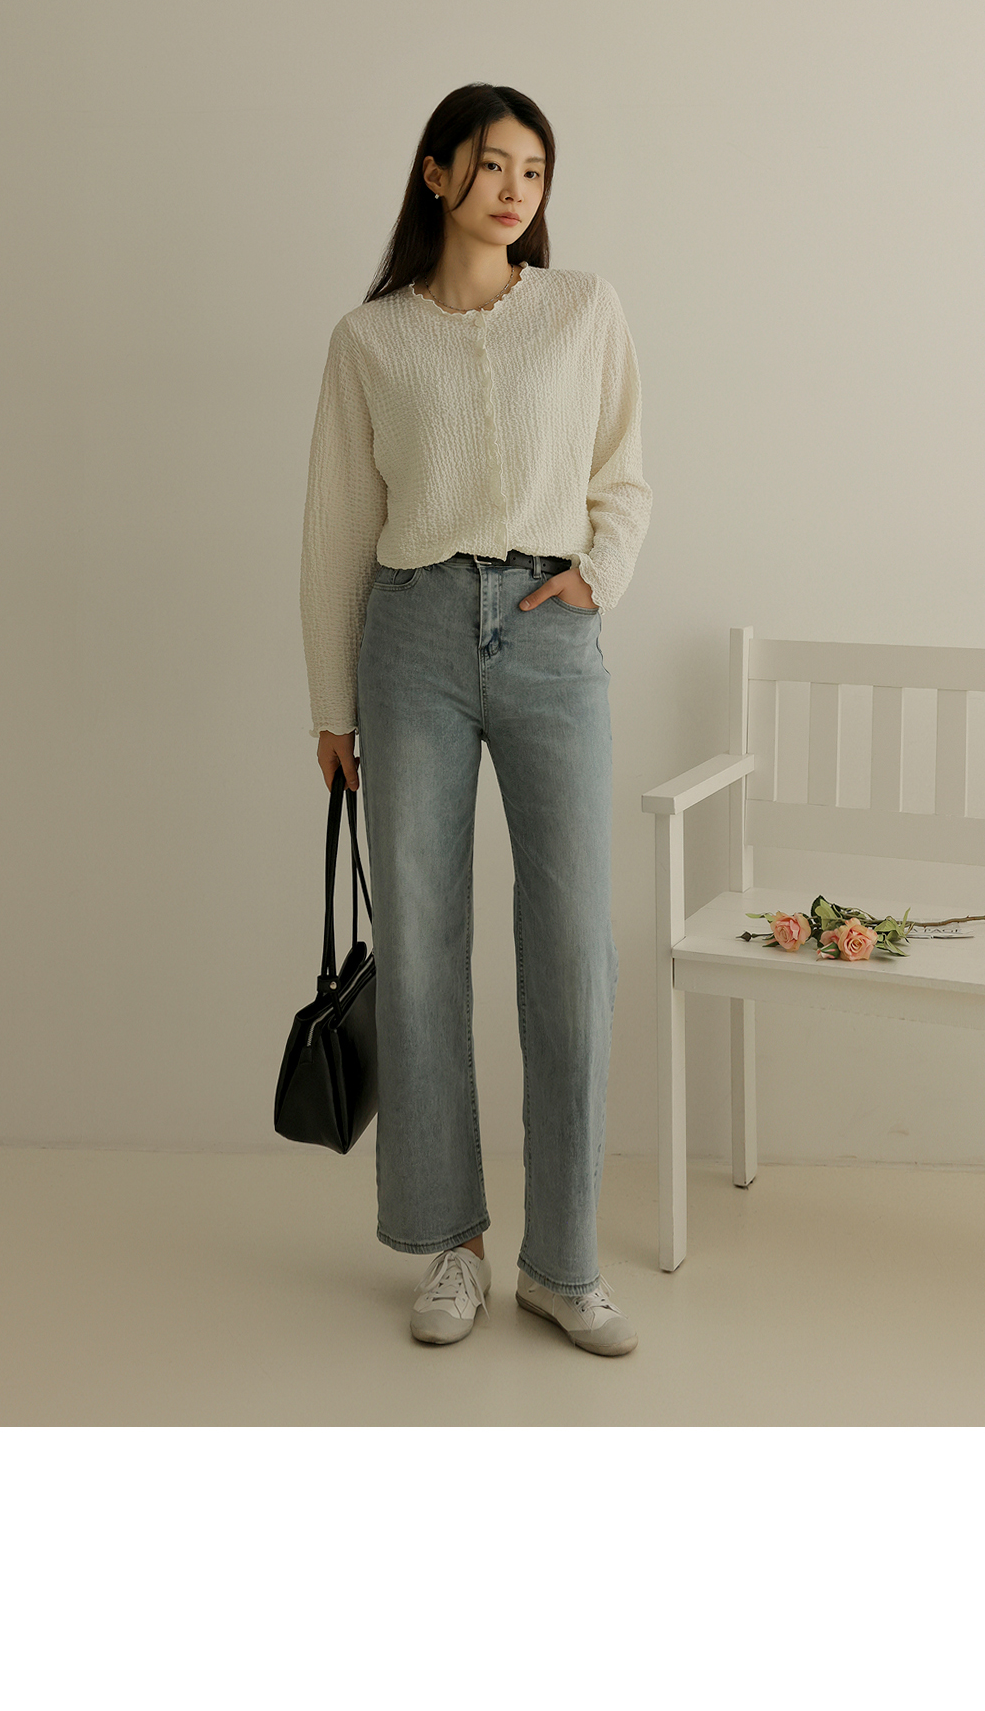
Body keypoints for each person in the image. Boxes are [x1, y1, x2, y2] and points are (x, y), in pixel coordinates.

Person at [300, 77, 650, 1350]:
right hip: (411, 642)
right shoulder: (370, 337)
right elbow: (338, 523)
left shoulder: (581, 309)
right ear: (438, 172)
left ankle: (564, 1262)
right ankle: (451, 1243)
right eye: (493, 164)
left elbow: (623, 473)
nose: (514, 189)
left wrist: (597, 575)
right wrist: (330, 703)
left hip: (552, 634)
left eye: (534, 171)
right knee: (422, 942)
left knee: (572, 946)